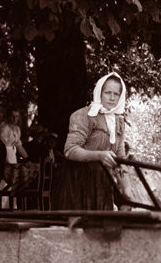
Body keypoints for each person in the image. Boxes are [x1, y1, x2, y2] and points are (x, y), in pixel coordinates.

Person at [51, 72, 127, 211]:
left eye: (116, 94)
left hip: (101, 182)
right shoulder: (84, 115)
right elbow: (70, 150)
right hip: (79, 183)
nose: (111, 97)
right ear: (99, 93)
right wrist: (98, 155)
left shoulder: (119, 122)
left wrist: (127, 190)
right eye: (107, 92)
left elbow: (120, 159)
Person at [0, 108, 28, 186]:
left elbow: (18, 145)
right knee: (5, 178)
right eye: (12, 116)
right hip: (3, 154)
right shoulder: (4, 128)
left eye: (16, 116)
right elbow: (0, 144)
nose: (14, 118)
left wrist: (27, 158)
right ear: (8, 116)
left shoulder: (17, 129)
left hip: (12, 155)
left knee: (13, 177)